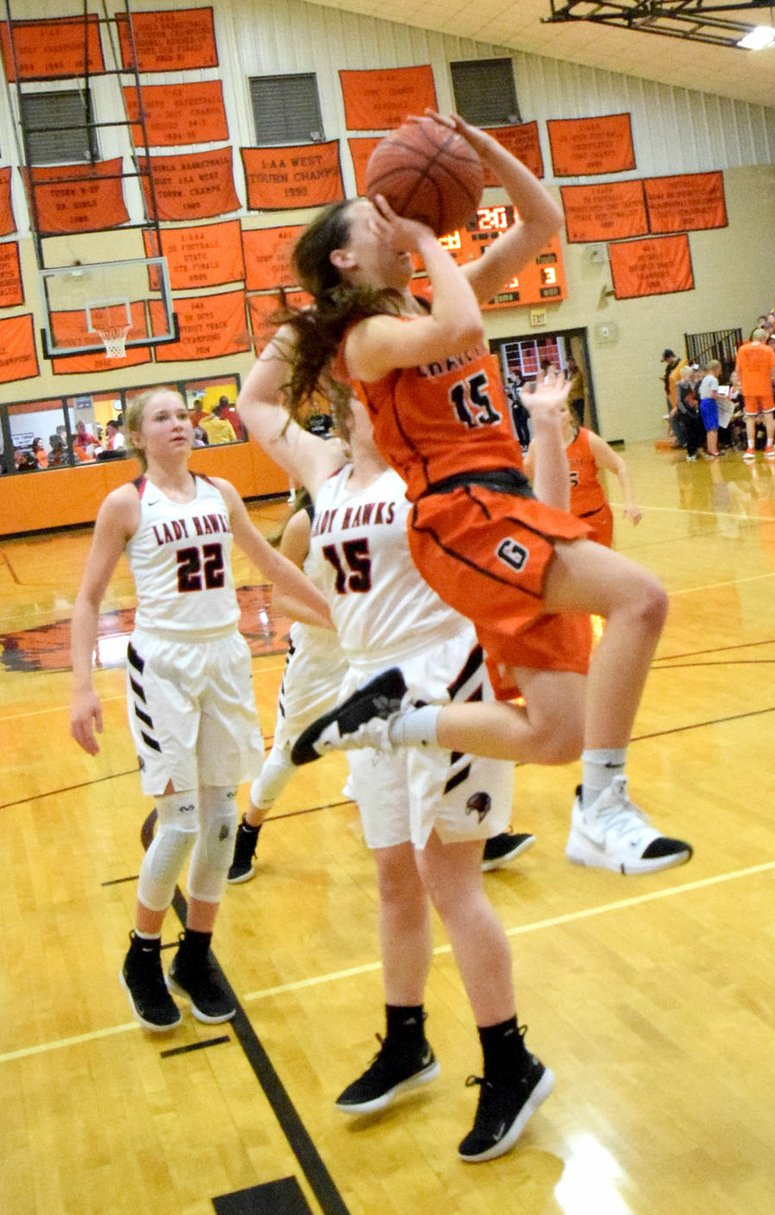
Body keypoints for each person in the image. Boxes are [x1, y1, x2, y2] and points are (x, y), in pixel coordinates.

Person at [237, 109, 692, 879]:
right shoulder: (367, 339)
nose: (394, 216)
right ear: (345, 257)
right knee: (641, 599)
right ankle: (604, 806)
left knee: (557, 731)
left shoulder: (425, 303)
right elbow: (462, 326)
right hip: (460, 514)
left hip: (503, 502)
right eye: (374, 214)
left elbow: (544, 219)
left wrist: (479, 151)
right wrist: (422, 241)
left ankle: (395, 719)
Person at [233, 378, 548, 1162]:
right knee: (393, 878)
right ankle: (406, 1039)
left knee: (452, 883)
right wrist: (311, 316)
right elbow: (254, 401)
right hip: (363, 687)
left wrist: (543, 429)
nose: (356, 394)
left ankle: (512, 1061)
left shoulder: (437, 469)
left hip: (443, 678)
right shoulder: (327, 473)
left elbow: (537, 521)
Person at [69, 387, 331, 1034]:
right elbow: (86, 600)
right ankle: (141, 956)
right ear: (138, 436)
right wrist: (81, 687)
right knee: (179, 822)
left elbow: (268, 560)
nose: (179, 424)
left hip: (224, 658)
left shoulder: (221, 493)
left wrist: (337, 611)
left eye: (183, 415)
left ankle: (198, 956)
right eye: (163, 417)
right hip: (164, 665)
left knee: (218, 821)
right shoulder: (126, 503)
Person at [228, 493, 535, 885]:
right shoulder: (305, 523)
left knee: (427, 729)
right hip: (319, 660)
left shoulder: (388, 511)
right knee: (290, 752)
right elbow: (284, 600)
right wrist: (344, 623)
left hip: (380, 653)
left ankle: (478, 834)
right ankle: (248, 831)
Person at [523, 403, 641, 547]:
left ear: (571, 415)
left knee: (598, 567)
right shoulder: (538, 445)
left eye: (562, 410)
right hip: (560, 522)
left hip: (594, 519)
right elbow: (523, 475)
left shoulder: (588, 440)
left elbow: (620, 466)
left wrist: (629, 501)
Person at [735, 328, 775, 461]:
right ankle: (769, 447)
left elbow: (738, 370)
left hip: (749, 387)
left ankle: (750, 448)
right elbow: (774, 371)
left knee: (750, 418)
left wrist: (740, 384)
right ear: (763, 339)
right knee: (768, 416)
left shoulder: (742, 349)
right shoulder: (767, 350)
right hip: (764, 387)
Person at [697, 359, 723, 458]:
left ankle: (710, 448)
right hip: (710, 403)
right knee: (713, 427)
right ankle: (714, 450)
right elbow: (713, 394)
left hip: (703, 403)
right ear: (715, 369)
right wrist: (723, 397)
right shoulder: (713, 380)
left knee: (709, 428)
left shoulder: (705, 379)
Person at [565, 355, 586, 426]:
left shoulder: (578, 374)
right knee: (573, 422)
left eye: (570, 363)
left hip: (578, 400)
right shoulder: (570, 375)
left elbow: (573, 387)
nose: (569, 365)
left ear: (574, 363)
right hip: (571, 402)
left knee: (579, 420)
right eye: (568, 363)